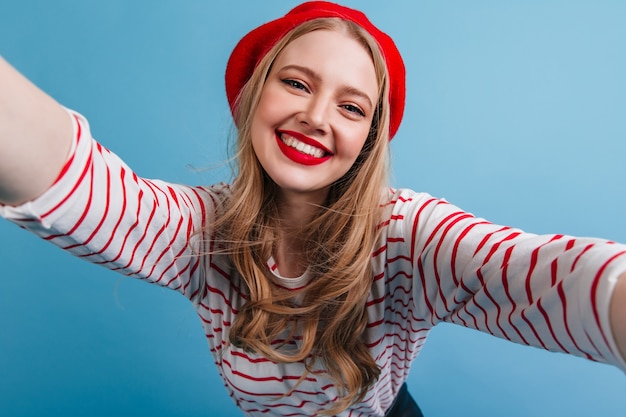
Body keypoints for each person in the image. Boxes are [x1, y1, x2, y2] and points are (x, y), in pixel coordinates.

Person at [1, 1, 625, 416]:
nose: (317, 116)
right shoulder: (204, 233)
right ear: (252, 98)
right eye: (297, 83)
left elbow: (549, 274)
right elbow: (84, 189)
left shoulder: (407, 235)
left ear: (367, 142)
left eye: (352, 107)